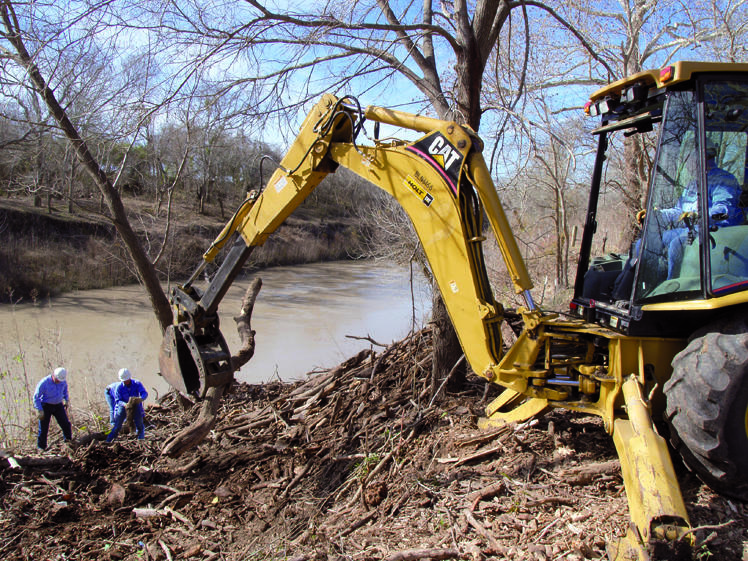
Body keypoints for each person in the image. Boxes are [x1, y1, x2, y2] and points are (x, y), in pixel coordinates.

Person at [630, 139, 743, 283]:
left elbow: (724, 210)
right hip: (690, 230)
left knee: (677, 244)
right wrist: (656, 216)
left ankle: (671, 288)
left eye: (689, 157)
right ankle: (646, 286)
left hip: (716, 231)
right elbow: (680, 211)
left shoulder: (723, 179)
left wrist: (699, 216)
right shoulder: (693, 184)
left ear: (703, 157)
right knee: (645, 242)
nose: (686, 162)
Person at [33, 367, 72, 451]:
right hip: (46, 406)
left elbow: (65, 391)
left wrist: (66, 399)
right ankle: (41, 448)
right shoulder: (44, 383)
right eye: (57, 379)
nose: (58, 382)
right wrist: (39, 410)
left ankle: (69, 443)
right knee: (43, 428)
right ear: (53, 375)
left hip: (58, 405)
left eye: (60, 380)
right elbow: (36, 397)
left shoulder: (63, 382)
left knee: (66, 424)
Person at [106, 368, 148, 443]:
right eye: (124, 381)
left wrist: (141, 399)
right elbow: (118, 401)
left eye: (127, 380)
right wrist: (125, 405)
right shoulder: (119, 387)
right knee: (117, 425)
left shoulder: (137, 383)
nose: (126, 382)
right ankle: (109, 440)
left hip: (135, 405)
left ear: (130, 378)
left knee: (139, 424)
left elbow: (144, 393)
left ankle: (141, 440)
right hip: (123, 407)